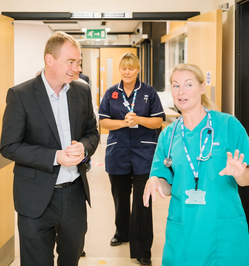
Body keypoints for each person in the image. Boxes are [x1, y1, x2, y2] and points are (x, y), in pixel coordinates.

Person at [143, 63, 249, 266]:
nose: (181, 92)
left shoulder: (228, 125)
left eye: (188, 85)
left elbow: (247, 180)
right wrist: (155, 180)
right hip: (184, 229)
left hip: (223, 228)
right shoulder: (168, 136)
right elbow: (167, 186)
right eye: (176, 85)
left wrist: (240, 173)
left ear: (202, 88)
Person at [0, 31, 99, 266]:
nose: (76, 68)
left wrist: (83, 148)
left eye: (79, 61)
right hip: (35, 198)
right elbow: (9, 146)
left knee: (71, 259)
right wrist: (55, 157)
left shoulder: (82, 91)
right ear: (49, 59)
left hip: (74, 194)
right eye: (71, 61)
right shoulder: (20, 95)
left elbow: (92, 133)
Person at [99, 52, 165, 266]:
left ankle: (143, 251)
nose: (127, 72)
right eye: (124, 68)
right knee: (119, 197)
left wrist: (138, 119)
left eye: (131, 68)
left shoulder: (148, 92)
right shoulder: (111, 93)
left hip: (144, 154)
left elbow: (158, 122)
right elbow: (104, 123)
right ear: (120, 70)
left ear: (138, 70)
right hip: (118, 153)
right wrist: (124, 123)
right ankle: (122, 232)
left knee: (143, 202)